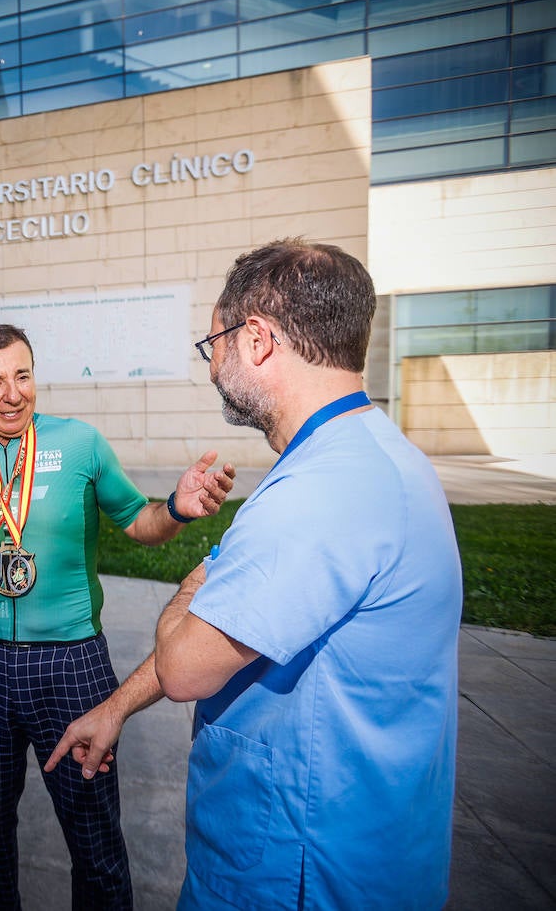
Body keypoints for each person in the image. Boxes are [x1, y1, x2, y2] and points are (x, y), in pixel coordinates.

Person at [47, 239, 462, 909]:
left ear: (259, 339)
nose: (212, 364)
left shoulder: (320, 492)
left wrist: (193, 584)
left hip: (295, 869)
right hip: (351, 852)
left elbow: (186, 664)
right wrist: (118, 706)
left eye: (214, 341)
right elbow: (237, 618)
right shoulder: (373, 455)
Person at [0, 323, 235, 910]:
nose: (13, 394)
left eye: (23, 376)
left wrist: (178, 511)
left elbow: (140, 521)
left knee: (93, 835)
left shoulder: (81, 444)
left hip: (72, 666)